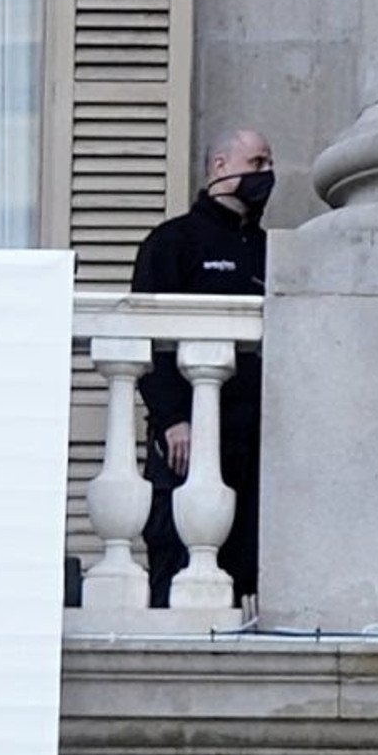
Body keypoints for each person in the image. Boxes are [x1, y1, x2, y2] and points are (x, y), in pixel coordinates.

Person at [130, 125, 270, 600]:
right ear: (220, 167)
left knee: (245, 571)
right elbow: (150, 341)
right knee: (174, 563)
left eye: (269, 165)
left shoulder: (269, 252)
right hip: (186, 443)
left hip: (252, 445)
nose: (267, 175)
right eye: (257, 164)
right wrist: (172, 419)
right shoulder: (172, 243)